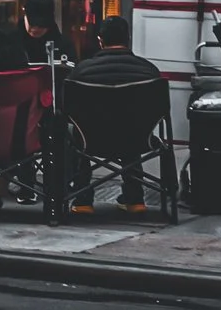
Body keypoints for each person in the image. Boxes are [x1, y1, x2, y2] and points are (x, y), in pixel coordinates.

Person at [67, 14, 169, 211]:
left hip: (91, 140)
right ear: (128, 39)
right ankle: (135, 198)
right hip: (137, 139)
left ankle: (83, 199)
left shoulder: (82, 71)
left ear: (100, 41)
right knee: (131, 127)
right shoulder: (149, 71)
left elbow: (68, 110)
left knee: (75, 136)